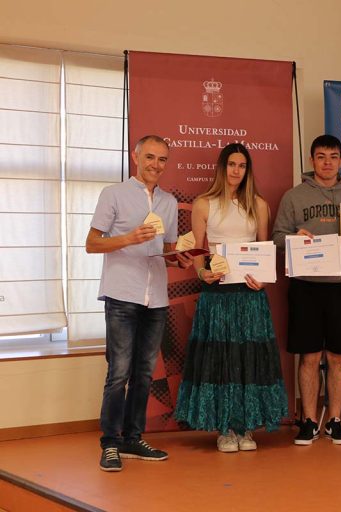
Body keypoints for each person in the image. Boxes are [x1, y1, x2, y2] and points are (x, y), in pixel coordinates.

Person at [86, 135, 193, 472]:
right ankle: (110, 443)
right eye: (149, 157)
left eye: (162, 159)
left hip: (156, 298)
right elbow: (92, 244)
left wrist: (180, 259)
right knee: (119, 373)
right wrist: (129, 238)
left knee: (145, 373)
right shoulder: (113, 194)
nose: (155, 165)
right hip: (122, 295)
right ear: (136, 157)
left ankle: (133, 438)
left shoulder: (169, 202)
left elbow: (167, 250)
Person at [174, 143, 288, 452]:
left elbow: (264, 249)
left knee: (248, 359)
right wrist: (202, 273)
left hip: (249, 294)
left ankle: (246, 427)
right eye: (232, 164)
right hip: (217, 294)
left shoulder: (259, 205)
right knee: (221, 360)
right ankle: (224, 429)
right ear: (222, 167)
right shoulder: (203, 204)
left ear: (247, 170)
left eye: (242, 165)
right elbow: (197, 250)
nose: (236, 170)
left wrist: (263, 279)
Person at [273, 134, 341, 446]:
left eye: (333, 156)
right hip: (306, 285)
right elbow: (277, 237)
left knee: (339, 356)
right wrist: (294, 238)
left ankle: (335, 420)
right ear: (312, 160)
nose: (327, 163)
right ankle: (309, 421)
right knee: (310, 356)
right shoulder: (294, 196)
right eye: (321, 156)